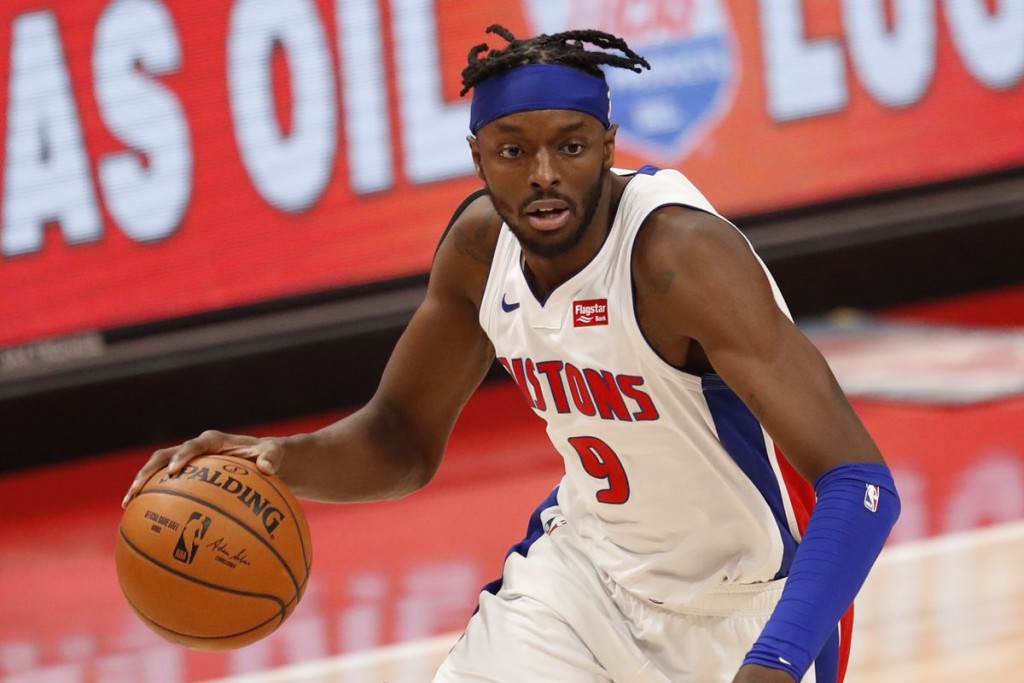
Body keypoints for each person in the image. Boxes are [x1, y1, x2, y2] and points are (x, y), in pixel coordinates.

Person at [123, 25, 900, 683]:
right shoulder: (477, 250)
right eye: (512, 150)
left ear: (609, 145)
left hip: (746, 602)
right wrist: (276, 461)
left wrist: (776, 662)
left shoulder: (678, 258)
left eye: (571, 146)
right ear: (478, 156)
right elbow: (400, 435)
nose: (543, 175)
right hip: (583, 582)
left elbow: (861, 483)